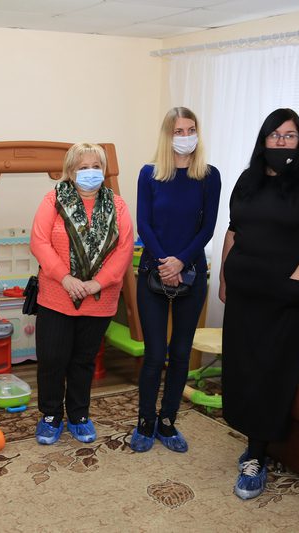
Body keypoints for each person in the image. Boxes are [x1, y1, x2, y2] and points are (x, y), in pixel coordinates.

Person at [220, 108, 299, 499]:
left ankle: (257, 456)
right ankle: (252, 439)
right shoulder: (249, 178)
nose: (282, 142)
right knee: (242, 368)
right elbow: (234, 229)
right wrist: (224, 278)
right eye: (275, 135)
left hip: (285, 296)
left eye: (289, 136)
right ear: (263, 139)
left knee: (271, 371)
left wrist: (298, 279)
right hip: (244, 293)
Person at [30, 142, 134, 445]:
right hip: (56, 294)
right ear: (71, 171)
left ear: (104, 170)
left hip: (99, 298)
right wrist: (65, 278)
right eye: (83, 167)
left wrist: (97, 283)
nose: (90, 172)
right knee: (52, 358)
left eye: (96, 166)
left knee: (83, 360)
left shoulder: (118, 205)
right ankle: (51, 415)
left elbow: (125, 249)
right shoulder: (53, 199)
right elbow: (39, 242)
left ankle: (78, 415)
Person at [130, 107, 221, 454]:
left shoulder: (209, 176)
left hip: (192, 273)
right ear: (167, 136)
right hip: (153, 272)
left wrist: (181, 260)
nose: (185, 137)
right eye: (178, 131)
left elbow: (208, 228)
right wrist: (166, 263)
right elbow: (144, 224)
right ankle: (145, 421)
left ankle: (167, 421)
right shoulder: (149, 174)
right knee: (155, 354)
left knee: (181, 352)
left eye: (190, 130)